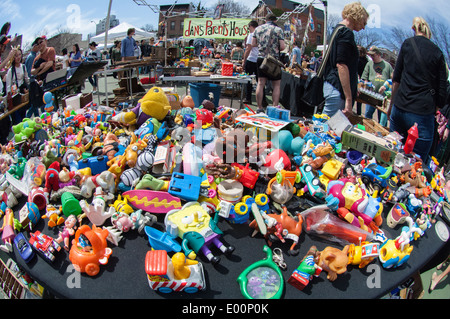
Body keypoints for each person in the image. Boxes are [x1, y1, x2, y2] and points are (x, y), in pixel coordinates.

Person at [387, 17, 448, 163]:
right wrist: (436, 108)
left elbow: (396, 79)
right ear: (428, 32)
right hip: (422, 112)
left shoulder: (407, 44)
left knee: (391, 153)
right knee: (416, 162)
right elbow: (442, 89)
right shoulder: (438, 52)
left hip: (400, 106)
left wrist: (391, 106)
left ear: (414, 29)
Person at [321, 2, 369, 118]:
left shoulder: (338, 29)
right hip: (337, 90)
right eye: (364, 22)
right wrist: (348, 99)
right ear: (358, 17)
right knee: (325, 129)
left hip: (334, 87)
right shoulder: (346, 33)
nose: (363, 27)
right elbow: (342, 65)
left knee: (326, 128)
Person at [252, 13, 286, 113]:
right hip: (273, 60)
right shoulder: (278, 30)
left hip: (261, 58)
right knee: (276, 85)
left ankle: (259, 108)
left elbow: (253, 44)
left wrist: (262, 45)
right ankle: (274, 107)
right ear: (275, 20)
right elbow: (283, 47)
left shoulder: (257, 29)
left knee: (260, 83)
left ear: (266, 20)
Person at [361, 46, 393, 126]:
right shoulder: (369, 64)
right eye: (370, 55)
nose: (371, 57)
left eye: (373, 55)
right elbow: (364, 78)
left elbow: (392, 80)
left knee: (382, 119)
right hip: (371, 95)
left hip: (383, 97)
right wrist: (366, 85)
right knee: (368, 116)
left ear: (379, 55)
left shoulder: (387, 66)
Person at [5, 48, 29, 124]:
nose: (18, 57)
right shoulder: (10, 70)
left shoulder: (23, 67)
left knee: (24, 118)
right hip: (14, 97)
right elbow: (8, 86)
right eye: (16, 56)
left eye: (19, 55)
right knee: (18, 121)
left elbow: (26, 79)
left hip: (22, 95)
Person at [242, 20, 260, 104]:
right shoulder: (261, 34)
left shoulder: (251, 35)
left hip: (251, 59)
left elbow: (248, 48)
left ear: (250, 26)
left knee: (248, 79)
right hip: (259, 59)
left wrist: (244, 60)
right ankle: (262, 100)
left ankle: (248, 98)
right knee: (260, 81)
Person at [356, 45, 368, 115]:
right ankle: (358, 114)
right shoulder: (366, 61)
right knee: (359, 100)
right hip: (362, 80)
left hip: (359, 80)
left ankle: (356, 114)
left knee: (357, 97)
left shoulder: (359, 60)